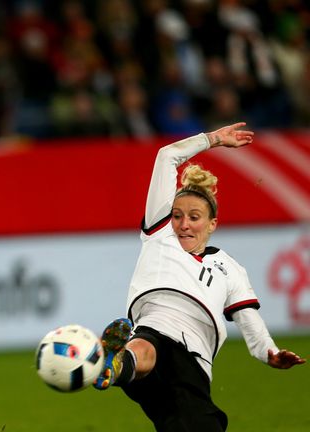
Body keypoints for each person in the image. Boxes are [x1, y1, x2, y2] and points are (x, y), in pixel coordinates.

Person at [92, 122, 305, 431]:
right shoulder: (159, 234)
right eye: (177, 216)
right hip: (152, 327)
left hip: (192, 360)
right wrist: (213, 139)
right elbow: (167, 156)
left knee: (183, 421)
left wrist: (268, 352)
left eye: (194, 217)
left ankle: (119, 363)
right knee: (147, 344)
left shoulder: (229, 268)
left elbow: (248, 319)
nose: (183, 224)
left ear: (212, 224)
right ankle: (117, 363)